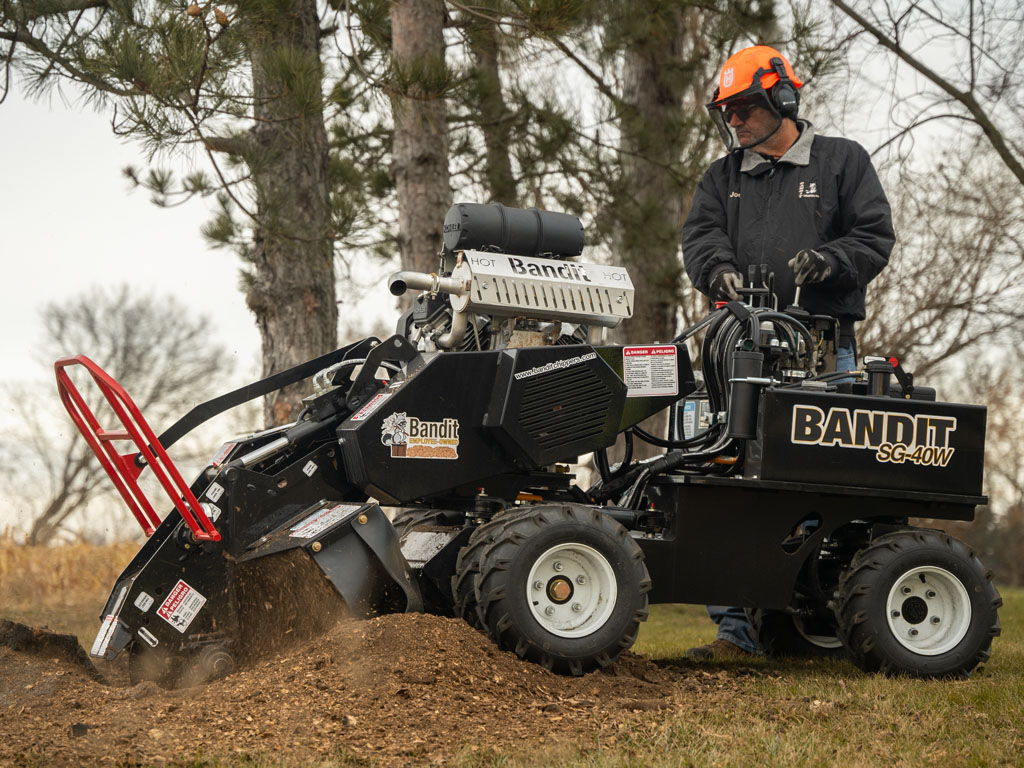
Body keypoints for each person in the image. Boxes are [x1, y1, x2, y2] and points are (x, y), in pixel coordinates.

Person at [680, 45, 895, 659]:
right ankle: (736, 633)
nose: (735, 122)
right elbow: (700, 239)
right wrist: (717, 272)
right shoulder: (722, 177)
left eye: (745, 107)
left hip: (826, 351)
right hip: (737, 352)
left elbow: (874, 235)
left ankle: (826, 617)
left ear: (782, 98)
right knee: (721, 480)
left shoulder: (841, 162)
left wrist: (832, 261)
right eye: (727, 112)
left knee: (828, 490)